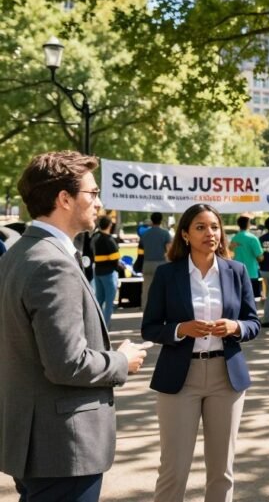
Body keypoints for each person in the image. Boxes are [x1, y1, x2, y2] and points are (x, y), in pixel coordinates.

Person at [0, 151, 147, 502]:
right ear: (64, 199)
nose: (98, 202)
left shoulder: (18, 254)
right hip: (63, 448)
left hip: (33, 441)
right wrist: (121, 362)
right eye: (92, 193)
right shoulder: (53, 264)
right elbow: (67, 362)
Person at [141, 204, 261, 502]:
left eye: (215, 227)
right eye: (200, 227)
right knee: (174, 469)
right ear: (185, 234)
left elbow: (253, 323)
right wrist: (182, 329)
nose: (210, 233)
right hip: (180, 378)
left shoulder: (237, 271)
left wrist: (235, 327)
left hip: (226, 377)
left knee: (222, 471)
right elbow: (150, 327)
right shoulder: (168, 274)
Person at [92, 215, 127, 326]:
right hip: (109, 273)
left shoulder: (95, 238)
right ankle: (105, 327)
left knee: (99, 301)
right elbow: (115, 260)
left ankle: (95, 325)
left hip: (97, 271)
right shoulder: (110, 240)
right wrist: (122, 268)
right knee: (109, 303)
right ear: (110, 225)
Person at [139, 211, 173, 310]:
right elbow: (169, 249)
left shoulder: (145, 234)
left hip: (147, 263)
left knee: (146, 289)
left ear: (151, 221)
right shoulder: (165, 233)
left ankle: (145, 309)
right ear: (161, 220)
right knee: (163, 289)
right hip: (161, 263)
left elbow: (141, 249)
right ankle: (162, 309)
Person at [230, 215, 264, 304]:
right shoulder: (253, 238)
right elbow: (260, 257)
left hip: (236, 273)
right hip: (251, 273)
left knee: (239, 299)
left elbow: (229, 254)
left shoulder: (234, 238)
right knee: (251, 300)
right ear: (248, 224)